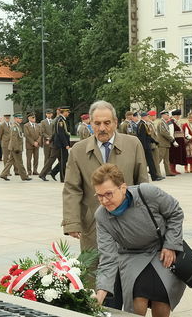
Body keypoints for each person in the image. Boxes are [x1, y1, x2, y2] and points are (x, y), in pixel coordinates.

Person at [92, 163, 187, 317]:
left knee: (162, 297)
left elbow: (175, 212)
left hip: (161, 251)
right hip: (130, 256)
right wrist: (100, 293)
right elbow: (107, 257)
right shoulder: (102, 216)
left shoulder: (146, 193)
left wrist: (171, 245)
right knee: (138, 300)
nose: (104, 201)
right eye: (99, 196)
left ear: (123, 188)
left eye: (108, 194)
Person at [62, 101, 148, 257]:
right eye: (97, 123)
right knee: (93, 271)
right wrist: (72, 222)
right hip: (94, 223)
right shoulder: (78, 151)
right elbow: (71, 188)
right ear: (90, 124)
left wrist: (145, 218)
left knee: (129, 268)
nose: (102, 128)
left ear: (115, 122)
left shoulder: (133, 145)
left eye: (107, 123)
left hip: (128, 221)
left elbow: (143, 184)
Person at [0, 113, 30, 181]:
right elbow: (14, 138)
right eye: (19, 118)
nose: (21, 119)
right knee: (20, 162)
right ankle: (24, 176)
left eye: (21, 118)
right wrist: (16, 148)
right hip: (16, 147)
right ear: (15, 119)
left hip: (14, 147)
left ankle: (3, 174)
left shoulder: (17, 126)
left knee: (10, 161)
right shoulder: (15, 127)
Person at [150, 110, 176, 177]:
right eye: (166, 115)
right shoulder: (161, 123)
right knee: (159, 158)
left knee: (166, 159)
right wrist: (172, 139)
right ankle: (153, 170)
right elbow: (163, 133)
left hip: (166, 143)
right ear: (163, 115)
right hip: (162, 143)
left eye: (168, 115)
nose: (168, 116)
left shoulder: (164, 122)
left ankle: (168, 172)